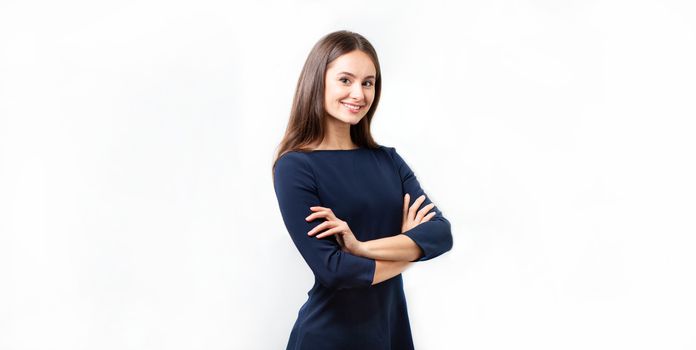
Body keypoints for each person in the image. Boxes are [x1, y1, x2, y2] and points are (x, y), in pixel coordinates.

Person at [271, 30, 453, 350]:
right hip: (328, 339)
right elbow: (336, 272)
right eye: (345, 80)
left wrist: (360, 247)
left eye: (368, 82)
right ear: (318, 81)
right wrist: (410, 248)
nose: (358, 93)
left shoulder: (388, 161)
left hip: (390, 334)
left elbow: (440, 235)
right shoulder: (295, 167)